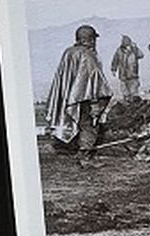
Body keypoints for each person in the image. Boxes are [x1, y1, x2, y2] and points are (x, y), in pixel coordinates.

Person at [45, 24, 112, 157]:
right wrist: (95, 102)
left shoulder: (68, 52)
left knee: (76, 123)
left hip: (70, 97)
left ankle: (70, 148)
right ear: (91, 40)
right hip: (85, 98)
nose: (95, 43)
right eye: (94, 39)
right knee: (89, 123)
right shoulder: (88, 55)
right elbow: (93, 81)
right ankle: (84, 153)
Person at [111, 35, 141, 101]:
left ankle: (133, 102)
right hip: (123, 74)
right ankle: (126, 100)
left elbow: (141, 55)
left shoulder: (134, 50)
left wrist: (136, 48)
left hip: (133, 73)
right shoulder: (119, 51)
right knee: (125, 90)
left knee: (134, 90)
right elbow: (115, 60)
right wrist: (113, 69)